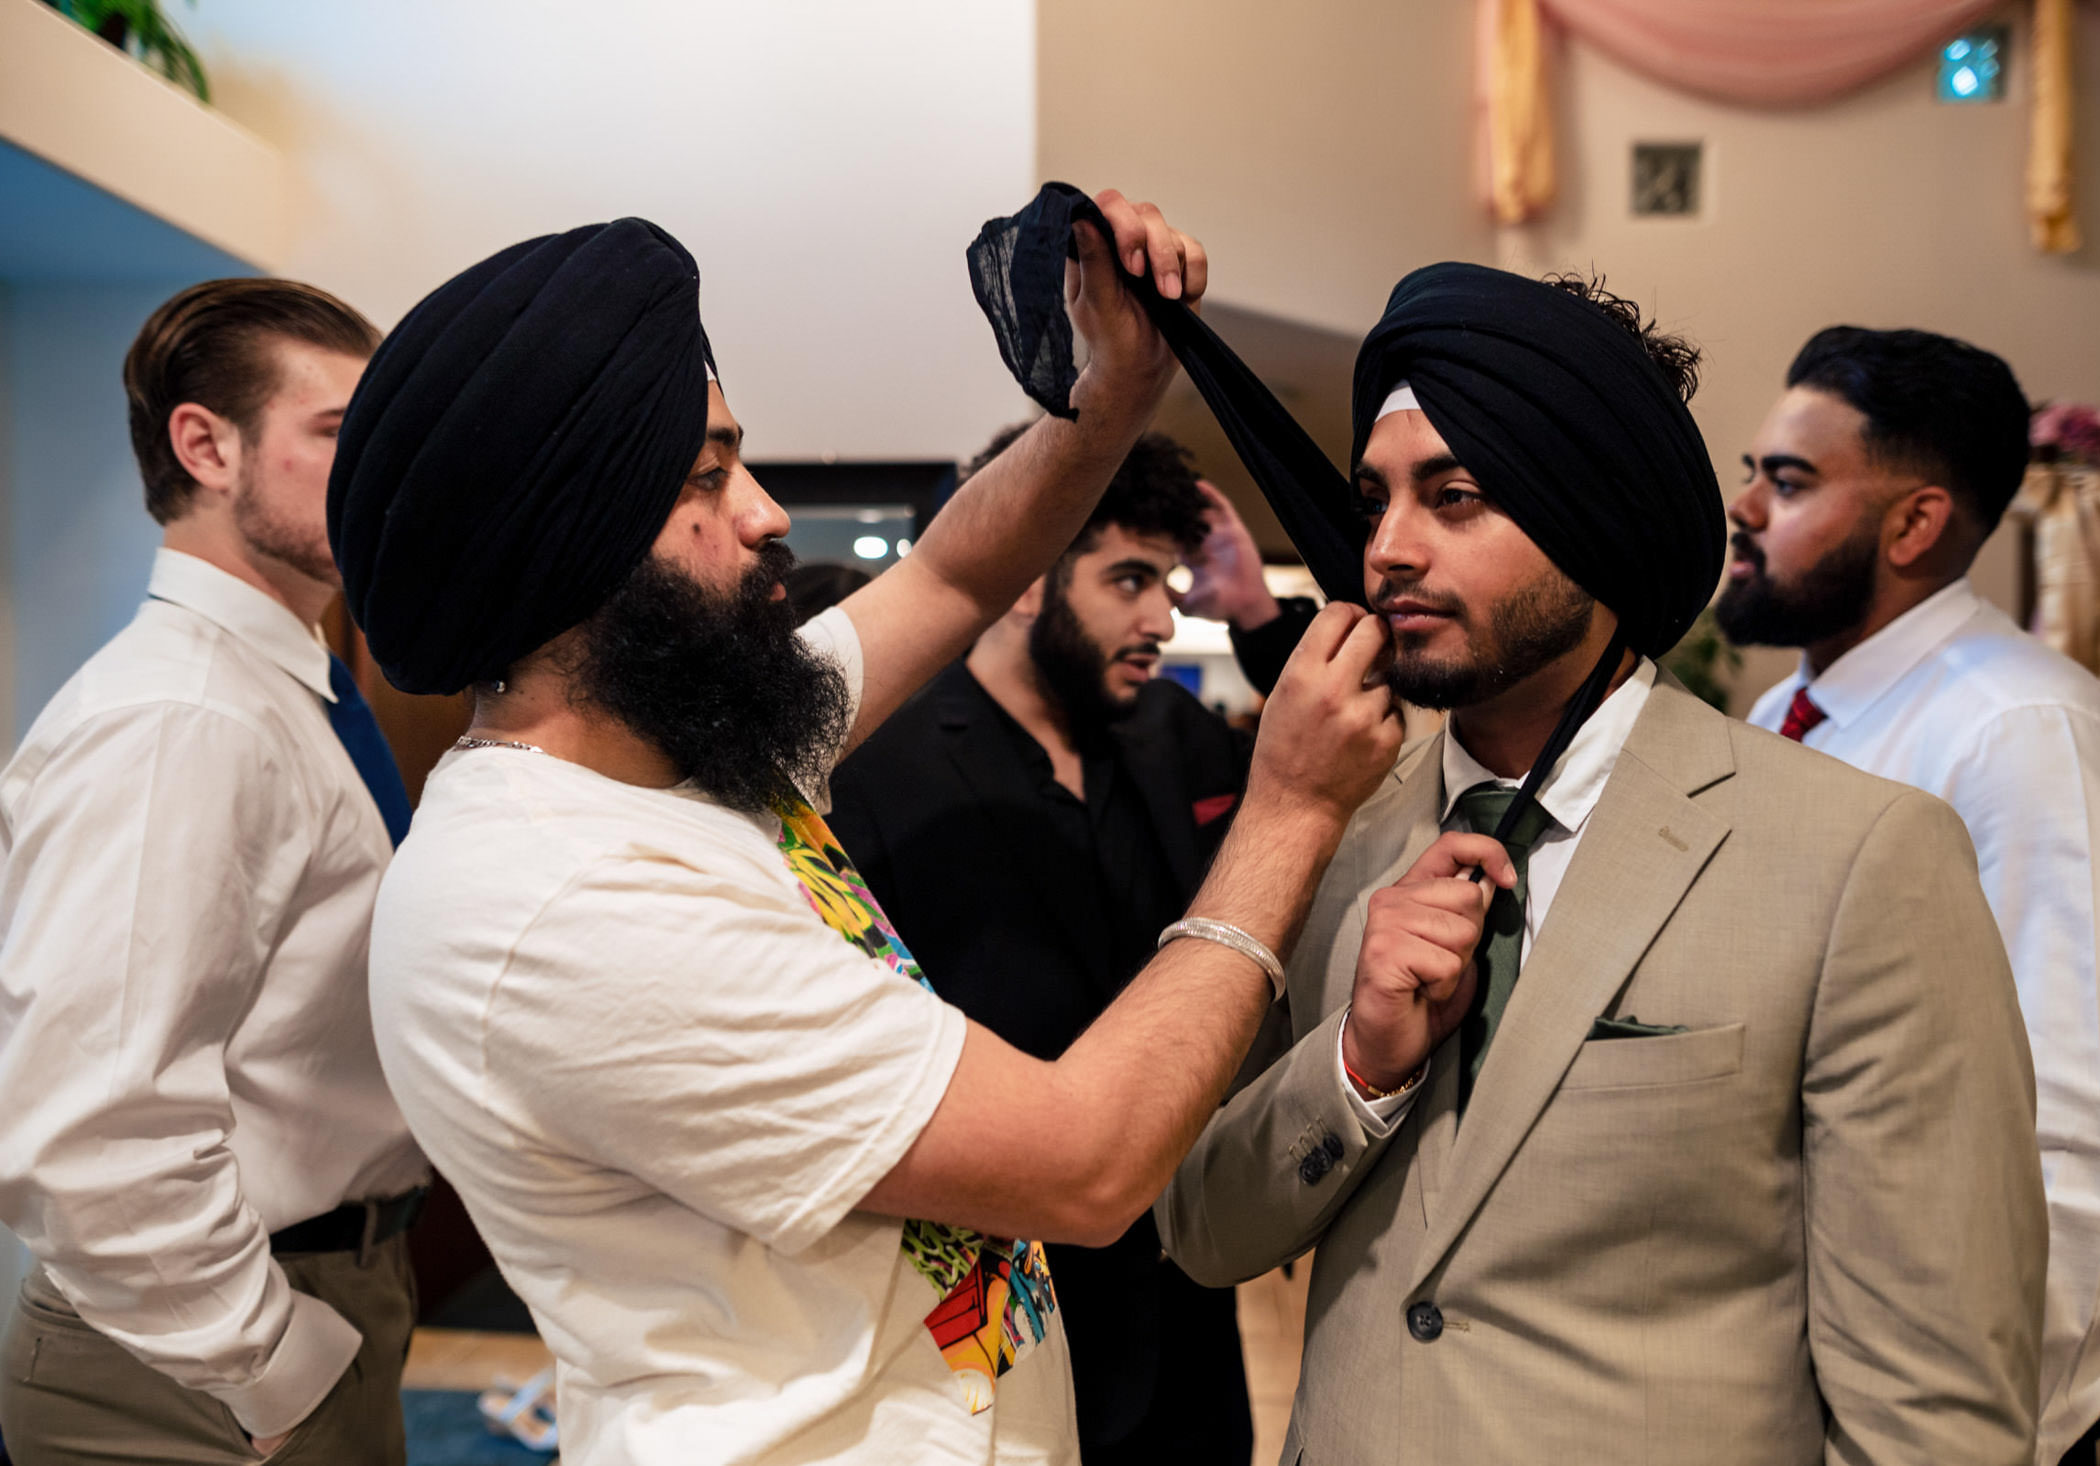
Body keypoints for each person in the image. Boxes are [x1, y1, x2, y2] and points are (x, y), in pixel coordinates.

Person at [342, 204, 1485, 1466]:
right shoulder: (565, 896)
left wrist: (1113, 391)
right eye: (706, 479)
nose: (769, 515)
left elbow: (950, 573)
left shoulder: (683, 754)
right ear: (569, 546)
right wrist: (1295, 808)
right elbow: (1089, 1162)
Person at [1157, 267, 2051, 1464]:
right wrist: (1357, 1065)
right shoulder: (1332, 837)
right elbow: (1201, 1228)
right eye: (1376, 501)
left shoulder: (1856, 858)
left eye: (1456, 496)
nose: (1387, 550)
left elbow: (1934, 1403)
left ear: (1597, 516)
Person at [1715, 326, 2100, 1466]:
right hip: (1775, 1373)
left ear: (1916, 522)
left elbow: (2080, 1152)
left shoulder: (2032, 737)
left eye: (1786, 480)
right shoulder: (1777, 719)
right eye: (1753, 472)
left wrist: (1989, 1436)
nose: (1742, 505)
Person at [0, 280, 430, 1464]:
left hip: (311, 1294)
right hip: (194, 1354)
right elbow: (89, 1123)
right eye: (342, 436)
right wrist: (270, 1362)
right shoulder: (180, 715)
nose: (384, 474)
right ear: (207, 446)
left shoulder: (286, 689)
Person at [828, 429, 1293, 1464]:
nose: (1161, 617)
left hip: (1186, 1288)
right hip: (1000, 1312)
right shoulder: (881, 767)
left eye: (1167, 582)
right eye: (1129, 578)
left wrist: (1259, 616)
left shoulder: (1172, 734)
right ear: (1030, 576)